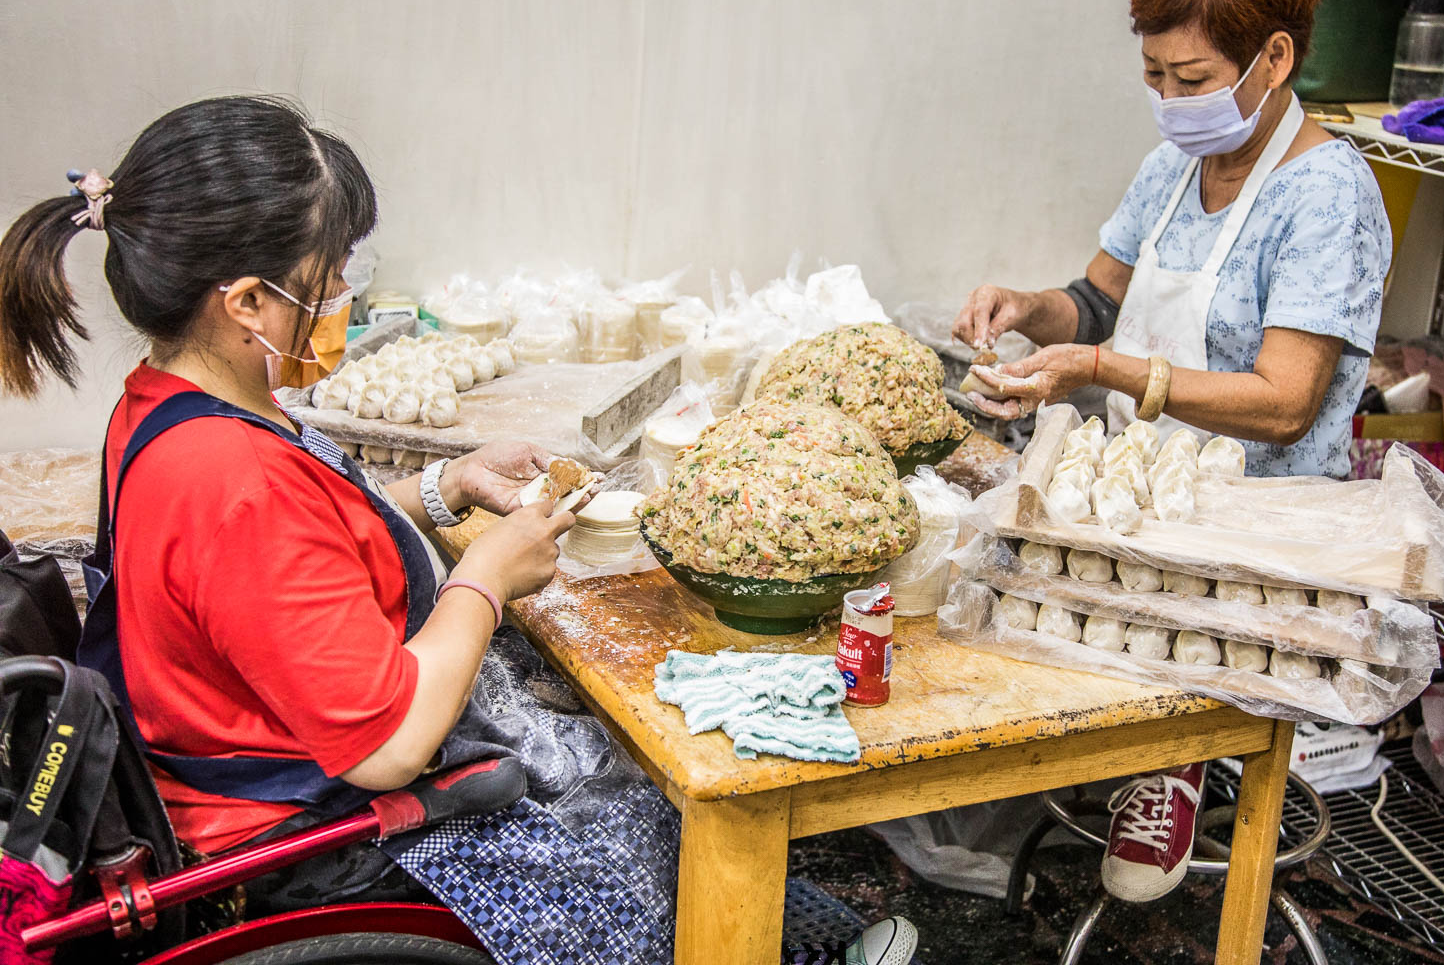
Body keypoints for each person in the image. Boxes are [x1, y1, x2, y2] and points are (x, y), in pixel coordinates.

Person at [0, 96, 915, 964]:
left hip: (275, 751)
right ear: (244, 302)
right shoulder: (226, 480)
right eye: (328, 280)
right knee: (638, 840)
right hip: (307, 843)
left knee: (622, 783)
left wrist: (440, 487)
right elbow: (388, 743)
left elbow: (289, 557)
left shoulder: (176, 406)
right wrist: (483, 575)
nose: (341, 297)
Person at [954, 0, 1391, 903]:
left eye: (1190, 81)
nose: (1168, 101)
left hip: (1257, 525)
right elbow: (1098, 300)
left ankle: (1177, 763)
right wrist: (1031, 309)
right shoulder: (1173, 166)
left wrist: (1105, 371)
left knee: (1150, 654)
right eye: (1154, 77)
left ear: (1273, 58)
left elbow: (1286, 404)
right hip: (1141, 499)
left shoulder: (1326, 196)